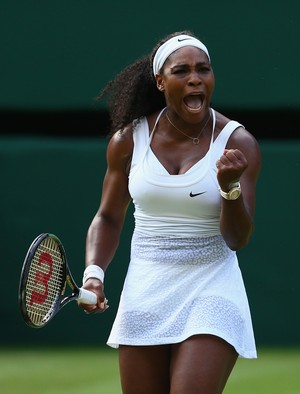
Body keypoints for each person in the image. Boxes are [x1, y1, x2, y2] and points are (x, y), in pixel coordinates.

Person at [79, 30, 261, 394]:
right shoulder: (127, 140)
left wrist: (229, 187)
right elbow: (109, 217)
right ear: (161, 82)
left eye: (203, 70)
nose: (195, 78)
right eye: (182, 71)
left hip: (212, 285)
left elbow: (237, 238)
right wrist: (94, 273)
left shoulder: (238, 143)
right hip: (146, 287)